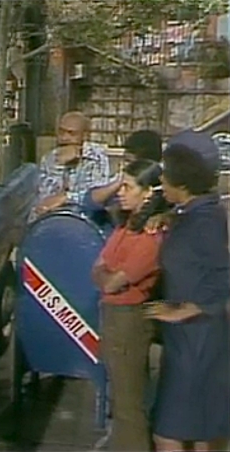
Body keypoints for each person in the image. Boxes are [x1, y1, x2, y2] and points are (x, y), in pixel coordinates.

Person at [145, 130, 230, 452]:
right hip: (187, 341)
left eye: (165, 175)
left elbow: (223, 276)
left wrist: (186, 309)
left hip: (199, 341)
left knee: (170, 432)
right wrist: (168, 218)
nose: (160, 181)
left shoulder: (204, 222)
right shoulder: (195, 213)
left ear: (182, 183)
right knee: (201, 428)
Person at [91, 159, 168, 451]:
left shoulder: (151, 239)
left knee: (129, 406)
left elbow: (111, 282)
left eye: (128, 186)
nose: (120, 192)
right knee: (120, 400)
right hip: (112, 317)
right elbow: (97, 268)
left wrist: (106, 275)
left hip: (129, 321)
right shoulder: (126, 226)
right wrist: (105, 275)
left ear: (148, 192)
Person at [34, 111, 110, 215]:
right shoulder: (49, 158)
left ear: (85, 135)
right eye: (61, 132)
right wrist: (59, 165)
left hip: (84, 217)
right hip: (53, 217)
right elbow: (46, 200)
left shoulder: (97, 156)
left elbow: (94, 197)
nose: (64, 138)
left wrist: (66, 198)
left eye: (71, 133)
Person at [83, 129, 163, 216]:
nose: (124, 165)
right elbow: (89, 202)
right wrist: (118, 183)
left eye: (128, 161)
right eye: (125, 160)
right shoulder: (120, 179)